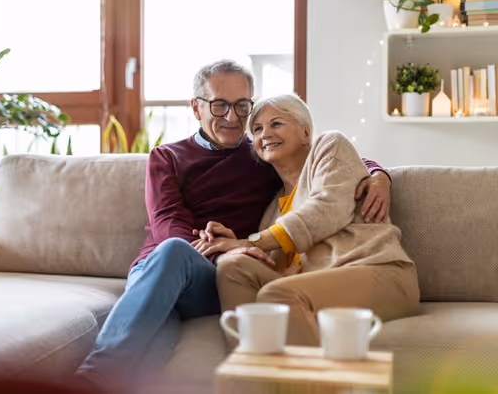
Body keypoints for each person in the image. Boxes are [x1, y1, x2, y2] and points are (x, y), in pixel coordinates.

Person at [75, 61, 392, 391]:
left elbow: (324, 159)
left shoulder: (261, 151)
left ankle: (88, 380)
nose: (232, 116)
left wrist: (378, 175)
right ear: (196, 108)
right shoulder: (166, 157)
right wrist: (220, 249)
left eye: (242, 105)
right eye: (219, 104)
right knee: (167, 278)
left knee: (182, 272)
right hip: (164, 267)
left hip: (221, 277)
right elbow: (168, 222)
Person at [194, 94, 420, 347]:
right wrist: (239, 247)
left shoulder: (330, 147)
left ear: (305, 131)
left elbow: (325, 210)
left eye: (276, 124)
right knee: (232, 267)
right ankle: (254, 372)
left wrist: (252, 242)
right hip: (316, 285)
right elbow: (278, 264)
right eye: (256, 129)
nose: (265, 134)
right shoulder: (272, 210)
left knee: (279, 294)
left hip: (379, 273)